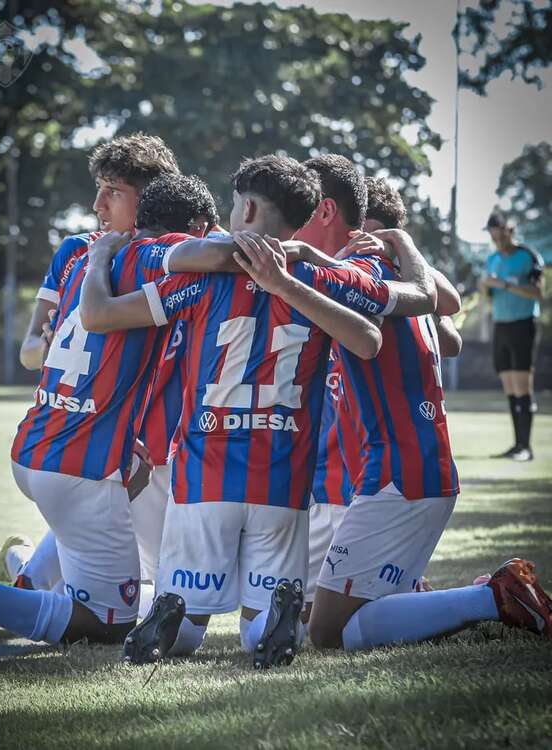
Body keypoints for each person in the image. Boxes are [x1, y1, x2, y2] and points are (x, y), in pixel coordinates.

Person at [79, 154, 437, 668]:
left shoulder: (202, 273)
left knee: (187, 631)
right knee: (255, 634)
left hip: (206, 474)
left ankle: (171, 614)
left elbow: (102, 316)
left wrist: (97, 262)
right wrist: (306, 268)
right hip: (281, 482)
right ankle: (274, 618)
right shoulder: (316, 275)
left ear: (245, 208)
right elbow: (369, 339)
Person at [0, 173, 238, 646]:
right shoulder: (149, 254)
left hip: (41, 442)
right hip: (79, 463)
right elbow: (212, 255)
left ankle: (25, 570)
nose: (100, 203)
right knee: (112, 620)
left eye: (114, 191)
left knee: (113, 569)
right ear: (194, 226)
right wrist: (288, 253)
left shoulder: (83, 254)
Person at [307, 177, 552, 651]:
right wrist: (401, 248)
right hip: (413, 470)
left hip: (395, 475)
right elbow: (451, 319)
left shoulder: (381, 279)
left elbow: (450, 316)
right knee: (344, 618)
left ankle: (493, 597)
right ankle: (458, 598)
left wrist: (396, 246)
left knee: (326, 632)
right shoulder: (403, 286)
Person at [480, 211, 545, 462]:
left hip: (522, 325)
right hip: (501, 326)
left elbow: (538, 293)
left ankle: (526, 447)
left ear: (509, 230)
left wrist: (505, 285)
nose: (496, 241)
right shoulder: (492, 259)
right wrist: (485, 288)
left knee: (522, 388)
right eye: (493, 237)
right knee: (509, 388)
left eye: (499, 234)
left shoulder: (528, 256)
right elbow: (489, 296)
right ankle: (517, 444)